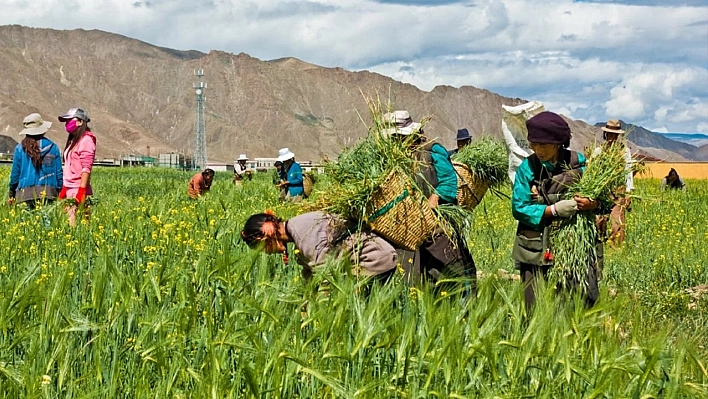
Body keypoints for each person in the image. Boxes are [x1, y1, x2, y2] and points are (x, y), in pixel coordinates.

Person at [511, 111, 600, 310]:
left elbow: (605, 199)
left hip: (573, 245)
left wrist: (591, 204)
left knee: (578, 303)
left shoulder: (580, 164)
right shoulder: (528, 168)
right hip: (535, 247)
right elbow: (519, 208)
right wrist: (553, 210)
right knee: (535, 306)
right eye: (533, 144)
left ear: (558, 142)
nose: (537, 149)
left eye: (543, 145)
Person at [383, 110, 476, 294]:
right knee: (413, 275)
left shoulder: (432, 150)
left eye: (398, 137)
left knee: (448, 269)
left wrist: (435, 197)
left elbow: (449, 181)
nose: (396, 141)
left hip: (437, 223)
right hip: (409, 227)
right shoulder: (392, 156)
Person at [241, 210, 398, 282]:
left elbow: (326, 279)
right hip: (363, 263)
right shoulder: (297, 237)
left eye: (262, 249)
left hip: (373, 261)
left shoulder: (304, 236)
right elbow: (311, 276)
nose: (267, 254)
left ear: (267, 237)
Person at [7, 113, 63, 209]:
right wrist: (60, 192)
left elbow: (15, 176)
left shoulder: (20, 149)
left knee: (26, 223)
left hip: (25, 194)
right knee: (46, 223)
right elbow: (59, 175)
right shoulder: (53, 147)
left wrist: (12, 192)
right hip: (49, 193)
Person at [593, 119, 634, 247]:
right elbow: (592, 171)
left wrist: (629, 192)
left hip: (618, 192)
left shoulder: (624, 151)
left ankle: (616, 248)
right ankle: (600, 244)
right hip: (602, 191)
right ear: (605, 135)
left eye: (614, 135)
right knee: (600, 221)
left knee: (618, 223)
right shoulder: (599, 151)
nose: (612, 137)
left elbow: (628, 171)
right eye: (609, 134)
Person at [57, 108, 96, 226]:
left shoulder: (86, 140)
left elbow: (86, 168)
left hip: (78, 189)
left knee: (77, 226)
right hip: (69, 188)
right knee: (68, 225)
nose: (67, 123)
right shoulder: (73, 140)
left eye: (70, 120)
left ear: (80, 122)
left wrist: (82, 191)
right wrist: (64, 188)